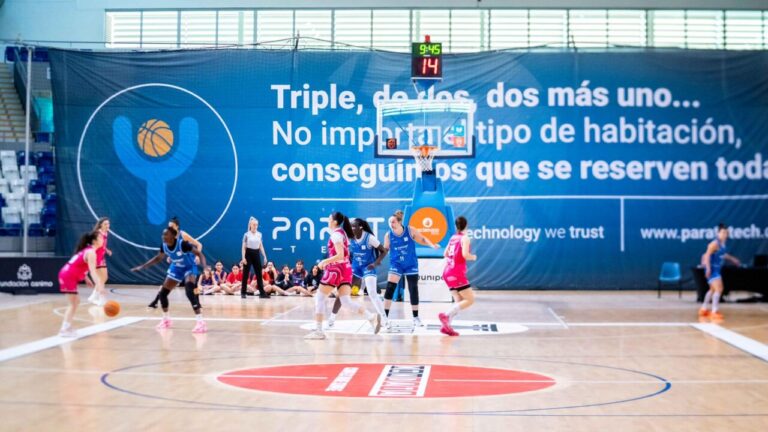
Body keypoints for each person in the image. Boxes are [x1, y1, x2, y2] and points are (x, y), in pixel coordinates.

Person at [305, 212, 380, 340]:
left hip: (335, 269)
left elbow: (340, 255)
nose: (328, 221)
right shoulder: (343, 233)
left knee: (320, 298)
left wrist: (324, 261)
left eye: (329, 219)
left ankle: (319, 331)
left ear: (334, 222)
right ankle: (371, 317)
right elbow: (344, 255)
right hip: (346, 269)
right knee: (346, 301)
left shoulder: (336, 235)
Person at [132, 227, 208, 333]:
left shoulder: (183, 244)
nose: (163, 236)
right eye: (163, 234)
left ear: (173, 236)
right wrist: (143, 266)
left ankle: (200, 322)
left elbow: (199, 253)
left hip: (189, 267)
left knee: (189, 292)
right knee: (163, 293)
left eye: (166, 234)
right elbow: (158, 258)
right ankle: (166, 319)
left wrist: (205, 267)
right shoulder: (164, 246)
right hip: (176, 268)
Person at [381, 210, 439, 327]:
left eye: (393, 222)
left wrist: (432, 244)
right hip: (396, 264)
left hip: (410, 264)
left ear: (399, 222)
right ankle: (384, 317)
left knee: (413, 289)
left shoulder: (410, 230)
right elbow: (385, 249)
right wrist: (378, 257)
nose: (391, 224)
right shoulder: (388, 235)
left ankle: (415, 317)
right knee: (390, 288)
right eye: (389, 222)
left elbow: (422, 239)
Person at [328, 218, 388, 328]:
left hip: (368, 267)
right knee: (342, 292)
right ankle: (331, 319)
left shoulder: (369, 238)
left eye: (353, 226)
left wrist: (375, 263)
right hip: (356, 267)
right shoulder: (349, 237)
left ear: (360, 227)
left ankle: (384, 319)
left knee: (372, 293)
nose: (351, 228)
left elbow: (383, 251)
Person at [147, 217, 203, 308]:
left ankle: (198, 302)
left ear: (177, 227)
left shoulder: (183, 234)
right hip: (178, 264)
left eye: (172, 226)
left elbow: (199, 244)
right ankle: (156, 301)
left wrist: (197, 256)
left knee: (194, 285)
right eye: (169, 226)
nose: (170, 228)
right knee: (166, 283)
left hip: (189, 262)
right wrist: (169, 257)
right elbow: (172, 251)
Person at [57, 230, 105, 337]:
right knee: (73, 303)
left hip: (67, 274)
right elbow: (93, 271)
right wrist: (100, 286)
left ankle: (67, 326)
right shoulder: (91, 252)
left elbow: (80, 265)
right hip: (68, 276)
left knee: (76, 302)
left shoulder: (88, 250)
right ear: (94, 241)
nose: (103, 239)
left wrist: (86, 278)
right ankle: (64, 329)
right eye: (100, 238)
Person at [438, 216, 478, 336]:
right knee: (470, 300)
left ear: (456, 226)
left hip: (447, 272)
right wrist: (473, 257)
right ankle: (446, 316)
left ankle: (446, 326)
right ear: (466, 225)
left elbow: (445, 253)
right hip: (456, 273)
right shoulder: (465, 238)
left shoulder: (453, 237)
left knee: (458, 301)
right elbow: (465, 254)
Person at [699, 223, 741, 321]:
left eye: (726, 233)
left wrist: (733, 259)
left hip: (717, 269)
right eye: (722, 232)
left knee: (712, 290)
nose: (724, 234)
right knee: (719, 288)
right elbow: (706, 255)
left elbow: (723, 254)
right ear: (718, 233)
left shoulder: (723, 244)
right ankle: (714, 311)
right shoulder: (714, 244)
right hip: (712, 269)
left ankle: (703, 309)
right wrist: (708, 268)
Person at [241, 217, 269, 299]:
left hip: (256, 253)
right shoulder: (246, 235)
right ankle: (243, 292)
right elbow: (243, 247)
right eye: (254, 224)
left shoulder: (259, 234)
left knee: (259, 273)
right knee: (245, 273)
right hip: (248, 253)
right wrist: (243, 258)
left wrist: (264, 256)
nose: (255, 226)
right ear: (250, 225)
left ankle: (262, 293)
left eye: (256, 225)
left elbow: (261, 246)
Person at [86, 217, 111, 306]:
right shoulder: (98, 234)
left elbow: (102, 244)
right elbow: (92, 245)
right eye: (105, 224)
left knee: (104, 278)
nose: (107, 225)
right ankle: (100, 299)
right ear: (101, 225)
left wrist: (106, 250)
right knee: (101, 279)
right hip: (96, 257)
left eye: (108, 223)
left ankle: (93, 296)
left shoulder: (106, 232)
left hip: (101, 257)